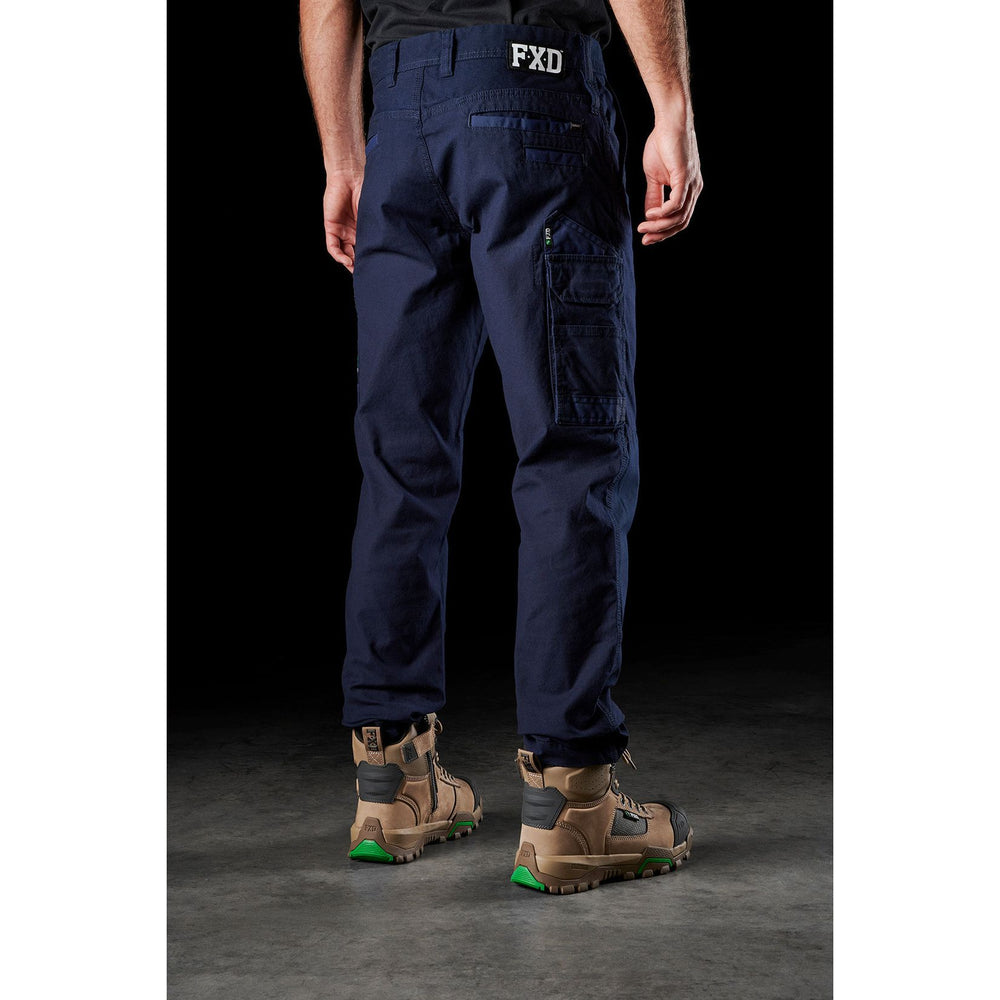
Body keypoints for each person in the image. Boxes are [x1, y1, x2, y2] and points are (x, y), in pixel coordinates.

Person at [299, 0, 703, 893]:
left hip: (399, 118)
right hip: (534, 94)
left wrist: (344, 156)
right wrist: (670, 104)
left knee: (400, 460)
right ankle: (574, 803)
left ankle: (392, 786)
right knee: (572, 453)